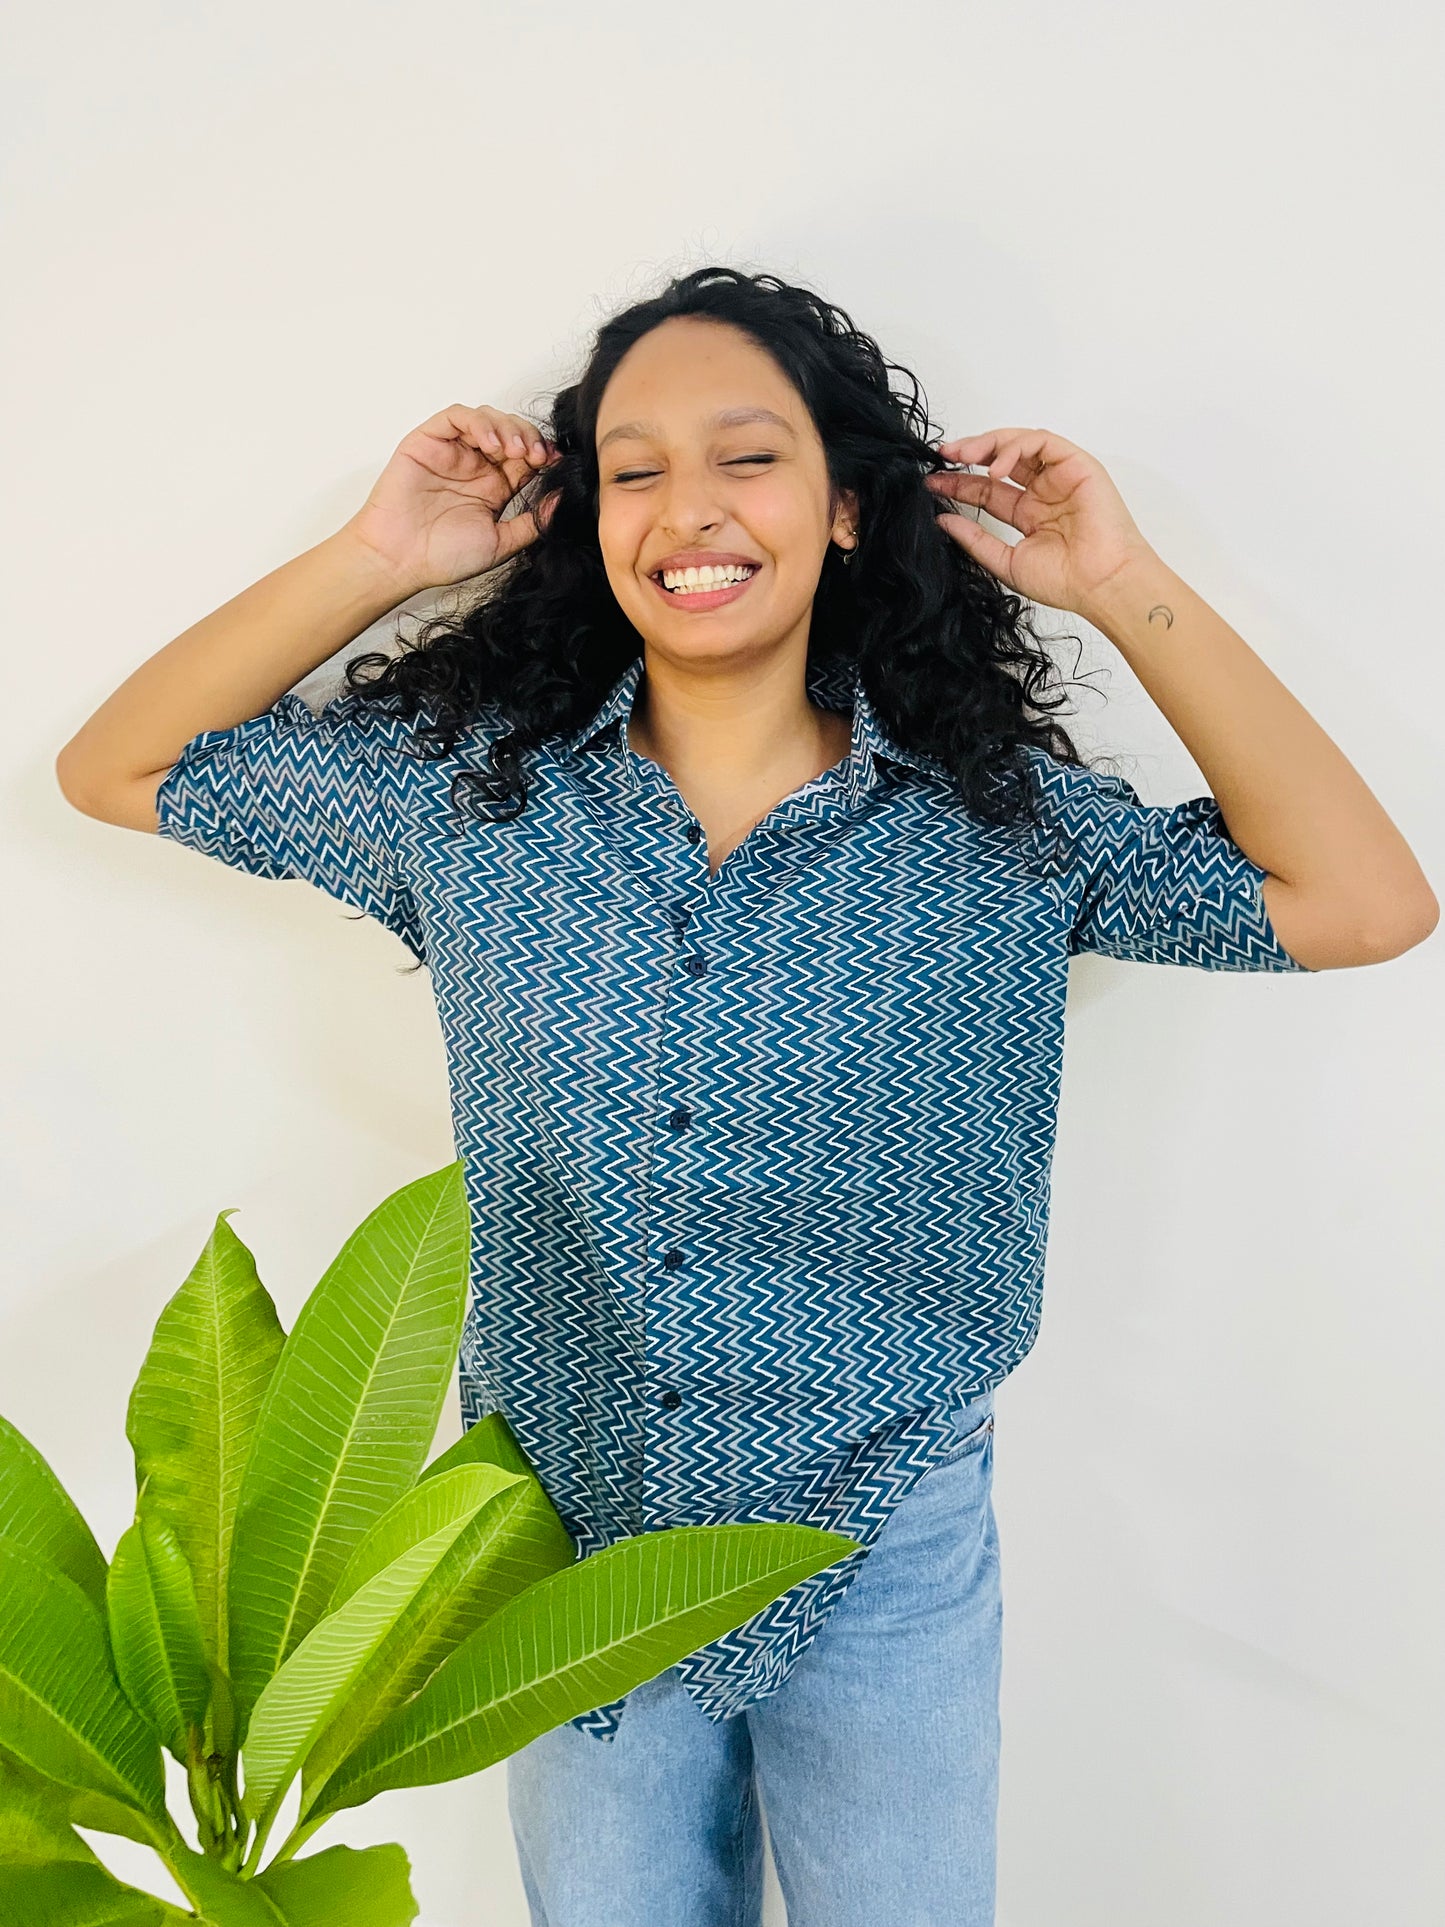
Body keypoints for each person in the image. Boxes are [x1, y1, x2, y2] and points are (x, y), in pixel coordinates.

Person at [55, 267, 1436, 1927]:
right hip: (560, 1529)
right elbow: (119, 768)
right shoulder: (467, 810)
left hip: (879, 1527)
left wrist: (1120, 583)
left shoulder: (1004, 832)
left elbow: (1360, 906)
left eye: (746, 457)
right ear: (585, 523)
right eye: (632, 470)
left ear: (848, 508)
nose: (686, 509)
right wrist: (386, 557)